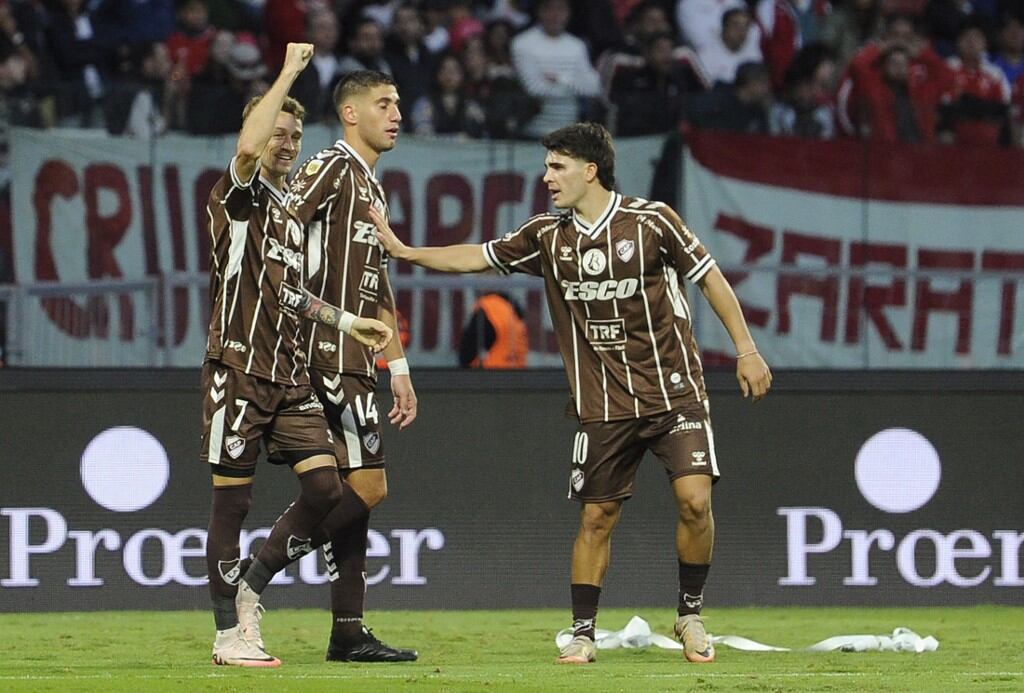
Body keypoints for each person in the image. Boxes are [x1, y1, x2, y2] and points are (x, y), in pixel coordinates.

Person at [372, 122, 772, 665]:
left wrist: (745, 349)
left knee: (695, 501)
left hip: (673, 392)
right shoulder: (546, 235)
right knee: (596, 518)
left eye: (557, 167)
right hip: (603, 405)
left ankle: (690, 614)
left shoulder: (653, 222)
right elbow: (477, 256)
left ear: (590, 170)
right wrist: (405, 250)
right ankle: (582, 632)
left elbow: (711, 278)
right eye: (546, 166)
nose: (547, 177)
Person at [201, 42, 393, 668]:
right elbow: (250, 152)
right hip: (237, 367)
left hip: (287, 374)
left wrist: (350, 322)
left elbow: (292, 295)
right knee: (232, 500)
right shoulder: (240, 196)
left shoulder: (287, 213)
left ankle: (252, 585)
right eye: (277, 131)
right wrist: (286, 73)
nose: (285, 143)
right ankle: (231, 634)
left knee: (325, 486)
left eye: (294, 135)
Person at [285, 69, 418, 663]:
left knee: (351, 492)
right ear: (350, 114)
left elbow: (377, 286)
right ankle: (251, 579)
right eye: (384, 104)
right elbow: (277, 233)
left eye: (398, 105)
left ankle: (347, 631)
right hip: (322, 353)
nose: (396, 115)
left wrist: (399, 366)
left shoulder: (373, 188)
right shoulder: (330, 167)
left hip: (360, 357)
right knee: (369, 485)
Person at [458, 292, 528, 368]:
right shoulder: (512, 310)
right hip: (517, 375)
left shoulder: (489, 308)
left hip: (492, 375)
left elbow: (466, 354)